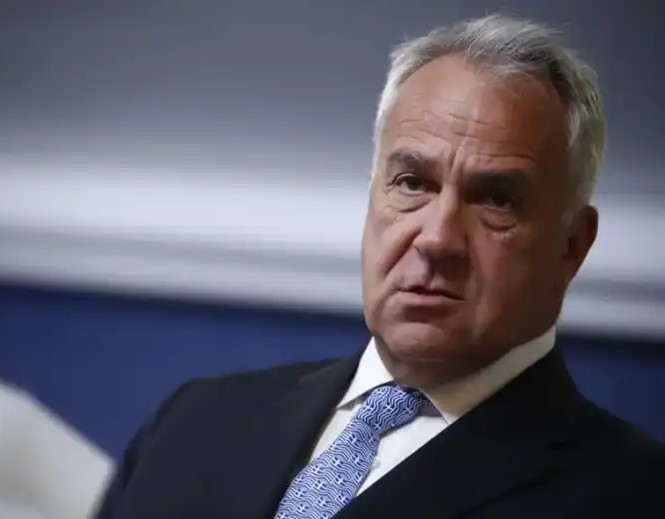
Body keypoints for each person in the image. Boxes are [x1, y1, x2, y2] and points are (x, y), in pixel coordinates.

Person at [96, 14, 665, 519]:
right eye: (412, 183)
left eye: (496, 199)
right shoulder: (192, 422)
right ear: (372, 194)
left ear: (571, 247)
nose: (437, 239)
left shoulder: (635, 495)